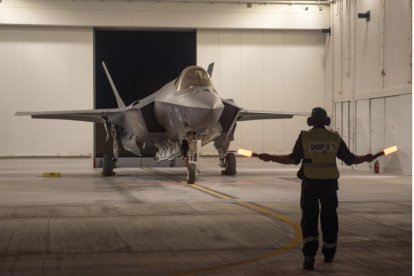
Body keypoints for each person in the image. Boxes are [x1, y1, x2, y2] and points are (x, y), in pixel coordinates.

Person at [258, 107, 375, 271]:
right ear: (326, 121)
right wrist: (366, 158)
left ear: (311, 121)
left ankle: (309, 256)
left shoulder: (305, 137)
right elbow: (350, 159)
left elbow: (292, 159)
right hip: (329, 186)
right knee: (330, 220)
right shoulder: (333, 137)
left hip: (310, 185)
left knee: (309, 220)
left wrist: (272, 158)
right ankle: (329, 253)